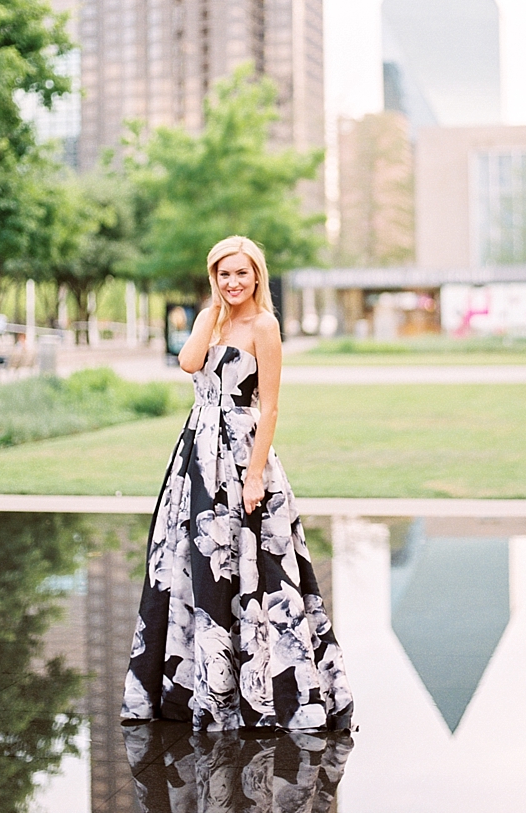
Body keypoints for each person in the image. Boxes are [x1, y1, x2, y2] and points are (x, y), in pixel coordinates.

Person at [121, 236, 354, 732]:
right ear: (214, 277)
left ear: (256, 276)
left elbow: (270, 407)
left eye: (241, 273)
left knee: (252, 563)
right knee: (191, 560)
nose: (232, 282)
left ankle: (263, 689)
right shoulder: (210, 319)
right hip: (197, 452)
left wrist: (253, 476)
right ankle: (196, 685)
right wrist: (209, 316)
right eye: (223, 274)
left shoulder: (264, 326)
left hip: (243, 450)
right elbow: (188, 363)